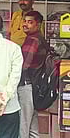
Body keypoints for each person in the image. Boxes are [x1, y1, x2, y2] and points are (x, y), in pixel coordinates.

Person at [18, 10, 49, 138]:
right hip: (36, 86)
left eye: (30, 22)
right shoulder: (40, 38)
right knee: (32, 125)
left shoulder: (33, 40)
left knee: (23, 125)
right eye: (24, 21)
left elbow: (23, 66)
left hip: (27, 85)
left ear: (38, 24)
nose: (25, 24)